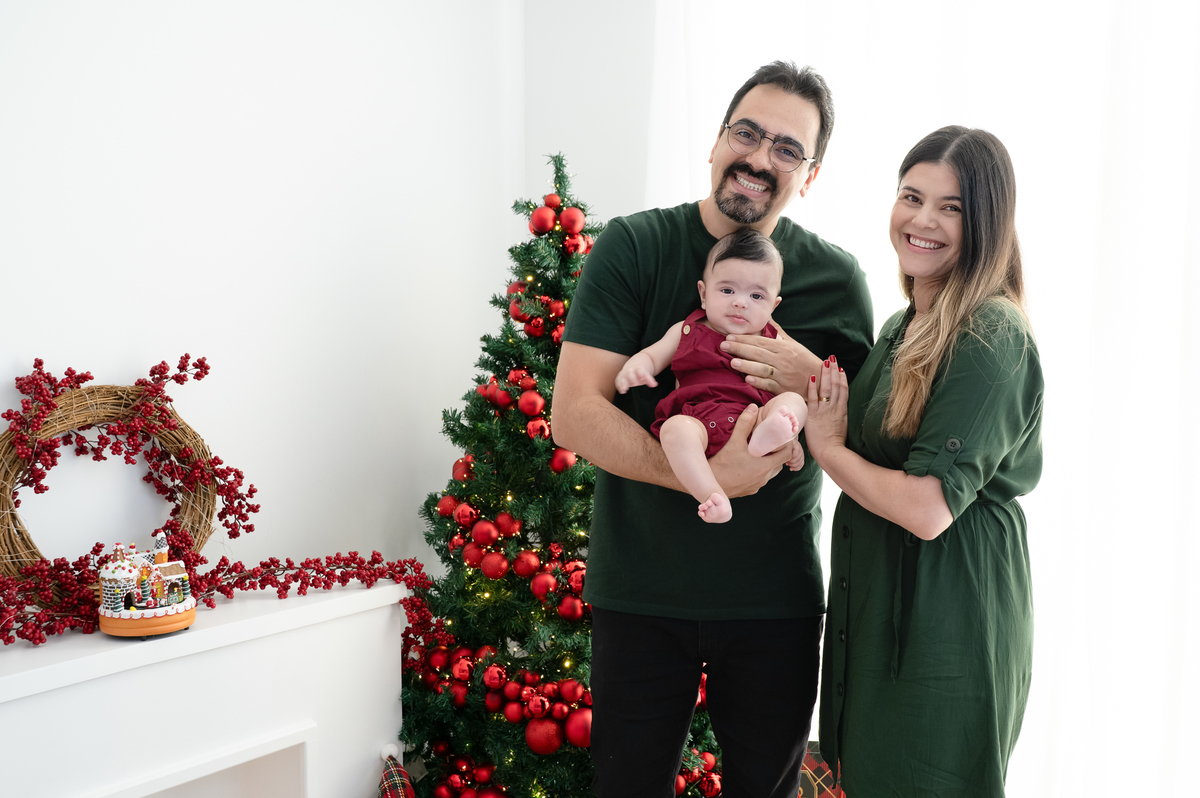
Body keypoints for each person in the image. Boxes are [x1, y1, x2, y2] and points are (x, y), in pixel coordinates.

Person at [552, 61, 874, 798]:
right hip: (641, 593)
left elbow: (874, 432)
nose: (761, 159)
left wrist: (804, 380)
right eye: (748, 133)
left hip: (774, 604)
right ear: (715, 140)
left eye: (787, 149)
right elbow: (574, 411)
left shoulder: (836, 280)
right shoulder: (633, 248)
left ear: (811, 175)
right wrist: (707, 478)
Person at [804, 126, 1042, 797]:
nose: (922, 220)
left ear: (988, 224)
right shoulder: (904, 324)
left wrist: (825, 448)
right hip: (881, 609)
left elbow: (928, 507)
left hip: (948, 620)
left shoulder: (990, 335)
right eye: (912, 196)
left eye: (952, 207)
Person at [615, 228, 807, 524]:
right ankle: (711, 494)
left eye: (756, 295)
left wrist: (791, 440)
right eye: (727, 290)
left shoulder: (775, 342)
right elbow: (654, 355)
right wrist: (638, 367)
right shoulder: (685, 330)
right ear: (704, 294)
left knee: (795, 402)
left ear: (774, 306)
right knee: (674, 431)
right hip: (699, 420)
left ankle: (773, 435)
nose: (740, 302)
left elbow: (799, 378)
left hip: (756, 415)